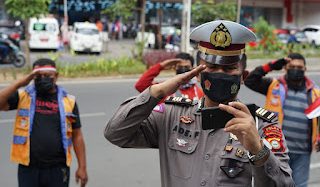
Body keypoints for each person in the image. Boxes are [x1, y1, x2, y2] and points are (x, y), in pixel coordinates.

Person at [105, 20, 294, 187]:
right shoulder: (172, 114)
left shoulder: (261, 125)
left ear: (242, 77)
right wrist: (157, 91)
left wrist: (258, 151)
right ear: (198, 74)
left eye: (229, 69)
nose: (220, 73)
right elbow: (115, 133)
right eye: (211, 67)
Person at [0, 58, 88, 187]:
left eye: (47, 75)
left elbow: (77, 135)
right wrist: (20, 83)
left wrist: (82, 167)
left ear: (56, 76)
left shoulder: (69, 102)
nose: (42, 79)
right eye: (38, 76)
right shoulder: (24, 96)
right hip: (29, 168)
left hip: (58, 168)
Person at [244, 53, 320, 187]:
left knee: (300, 184)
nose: (296, 69)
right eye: (292, 66)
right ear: (285, 68)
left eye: (299, 67)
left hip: (303, 151)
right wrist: (272, 65)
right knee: (274, 183)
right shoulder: (274, 85)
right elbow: (250, 80)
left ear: (305, 69)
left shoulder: (315, 92)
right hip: (277, 150)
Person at [135, 52, 204, 102]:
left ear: (193, 69)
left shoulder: (201, 93)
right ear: (174, 68)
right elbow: (140, 86)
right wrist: (161, 66)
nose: (183, 70)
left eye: (186, 67)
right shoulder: (164, 89)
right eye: (180, 67)